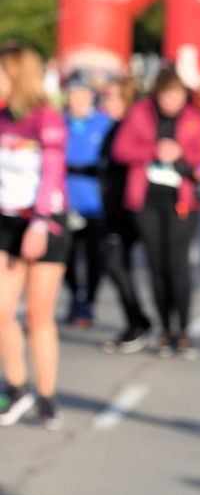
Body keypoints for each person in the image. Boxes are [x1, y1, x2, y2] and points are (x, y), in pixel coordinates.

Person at [112, 65, 200, 359]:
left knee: (178, 267)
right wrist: (154, 151)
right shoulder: (141, 113)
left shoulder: (194, 117)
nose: (171, 102)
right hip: (147, 202)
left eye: (176, 96)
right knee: (157, 266)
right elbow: (121, 150)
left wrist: (180, 154)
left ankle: (184, 332)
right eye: (166, 96)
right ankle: (166, 330)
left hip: (182, 202)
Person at [0, 40, 69, 428]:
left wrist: (40, 222)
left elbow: (53, 175)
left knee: (39, 317)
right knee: (1, 313)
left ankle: (47, 397)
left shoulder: (46, 118)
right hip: (6, 221)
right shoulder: (2, 116)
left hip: (45, 223)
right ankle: (17, 386)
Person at [95, 78, 152, 354]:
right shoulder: (112, 127)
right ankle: (137, 320)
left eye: (112, 98)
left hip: (131, 209)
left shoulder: (133, 127)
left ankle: (141, 324)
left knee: (116, 262)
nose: (105, 103)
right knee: (115, 264)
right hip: (111, 209)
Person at [61, 73, 113, 329]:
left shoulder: (104, 123)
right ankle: (76, 296)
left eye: (82, 93)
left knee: (96, 256)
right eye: (72, 93)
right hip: (64, 199)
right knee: (65, 256)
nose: (77, 99)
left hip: (95, 201)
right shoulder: (59, 123)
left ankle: (89, 300)